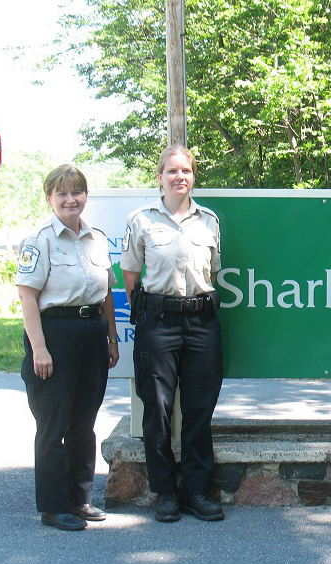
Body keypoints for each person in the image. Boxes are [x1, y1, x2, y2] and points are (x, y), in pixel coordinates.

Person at [121, 145, 225, 522]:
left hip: (201, 322)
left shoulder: (209, 221)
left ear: (193, 176)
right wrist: (150, 311)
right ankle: (165, 492)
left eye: (186, 171)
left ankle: (197, 491)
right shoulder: (142, 220)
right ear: (160, 176)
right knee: (158, 409)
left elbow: (211, 271)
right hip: (158, 322)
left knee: (199, 409)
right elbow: (131, 274)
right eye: (172, 171)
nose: (180, 177)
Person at [16, 165, 119, 531]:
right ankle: (53, 505)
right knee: (52, 423)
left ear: (85, 196)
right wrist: (39, 348)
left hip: (92, 331)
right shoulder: (39, 240)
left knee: (83, 423)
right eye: (61, 193)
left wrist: (111, 337)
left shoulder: (97, 239)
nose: (70, 199)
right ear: (49, 198)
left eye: (76, 192)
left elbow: (106, 291)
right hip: (54, 334)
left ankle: (79, 498)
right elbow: (28, 298)